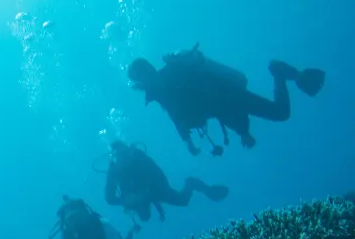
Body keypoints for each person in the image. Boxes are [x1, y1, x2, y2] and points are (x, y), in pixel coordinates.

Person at [127, 44, 325, 155]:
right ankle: (281, 74)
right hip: (229, 101)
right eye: (140, 77)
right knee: (280, 113)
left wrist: (243, 131)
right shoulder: (164, 90)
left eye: (141, 75)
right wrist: (187, 141)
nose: (144, 80)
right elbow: (177, 117)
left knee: (281, 113)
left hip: (231, 98)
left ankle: (278, 73)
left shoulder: (172, 76)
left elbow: (217, 102)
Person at [105, 140, 229, 222]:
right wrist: (124, 201)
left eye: (124, 153)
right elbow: (109, 198)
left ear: (129, 152)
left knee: (183, 201)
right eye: (118, 156)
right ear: (114, 158)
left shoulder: (140, 160)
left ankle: (192, 183)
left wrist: (145, 192)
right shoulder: (113, 171)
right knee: (144, 217)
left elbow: (155, 175)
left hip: (156, 188)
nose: (122, 158)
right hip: (136, 196)